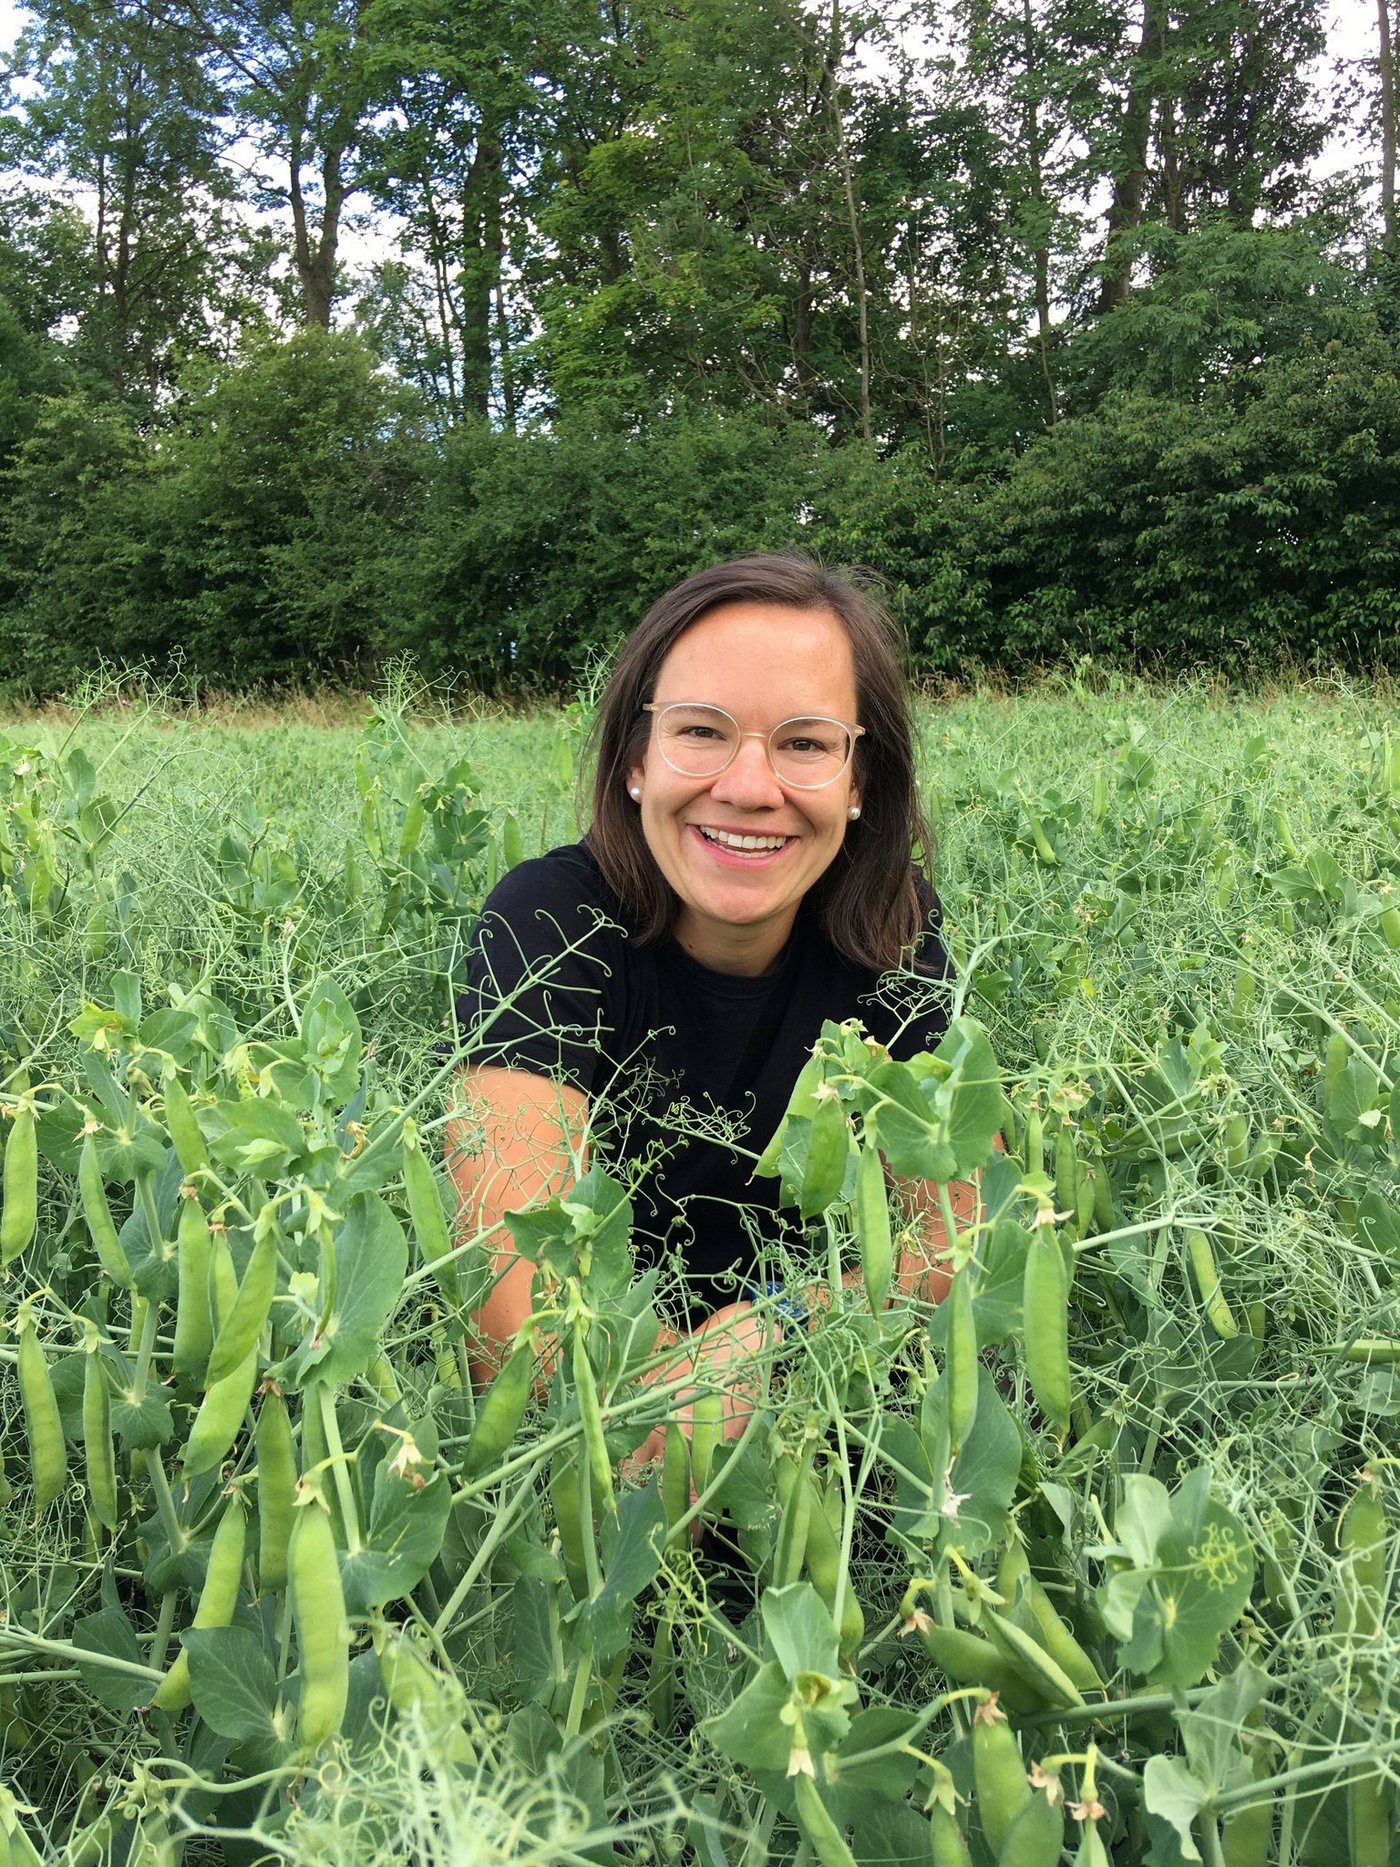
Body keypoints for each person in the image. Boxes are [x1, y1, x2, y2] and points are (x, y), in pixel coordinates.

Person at [449, 553, 965, 1431]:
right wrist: (693, 1393)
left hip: (810, 1416)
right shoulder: (551, 922)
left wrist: (779, 1328)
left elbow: (956, 1236)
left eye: (805, 742)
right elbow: (519, 1334)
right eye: (700, 731)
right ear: (636, 761)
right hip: (596, 1440)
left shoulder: (892, 926)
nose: (749, 788)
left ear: (858, 783)